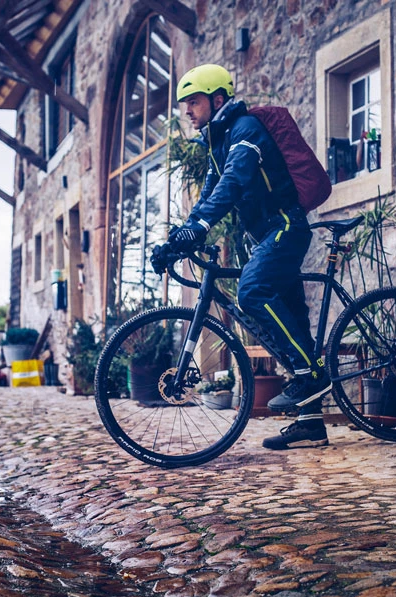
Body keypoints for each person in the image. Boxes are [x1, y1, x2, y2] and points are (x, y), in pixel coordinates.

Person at [167, 64, 330, 449]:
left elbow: (234, 182)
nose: (187, 110)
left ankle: (311, 376)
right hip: (268, 235)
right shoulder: (218, 142)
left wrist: (200, 227)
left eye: (193, 101)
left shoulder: (245, 131)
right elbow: (210, 194)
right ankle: (311, 424)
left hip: (286, 226)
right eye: (184, 104)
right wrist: (178, 239)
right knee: (294, 321)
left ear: (217, 99)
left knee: (252, 291)